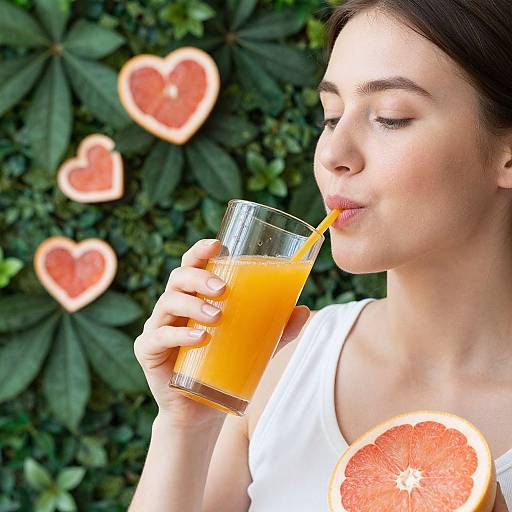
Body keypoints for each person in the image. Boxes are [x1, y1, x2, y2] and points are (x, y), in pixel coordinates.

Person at [128, 1, 512, 510]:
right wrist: (183, 423)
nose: (332, 153)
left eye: (390, 118)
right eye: (331, 116)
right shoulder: (276, 368)